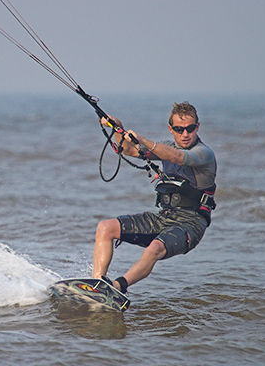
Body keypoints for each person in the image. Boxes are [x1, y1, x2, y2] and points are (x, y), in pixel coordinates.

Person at [92, 101, 217, 295]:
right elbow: (129, 150)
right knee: (105, 228)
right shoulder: (164, 148)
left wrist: (141, 138)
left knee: (154, 248)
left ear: (197, 127)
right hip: (164, 217)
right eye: (179, 129)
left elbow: (177, 157)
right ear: (171, 129)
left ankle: (116, 288)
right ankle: (97, 285)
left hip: (191, 223)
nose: (185, 134)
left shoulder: (204, 153)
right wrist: (118, 128)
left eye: (190, 129)